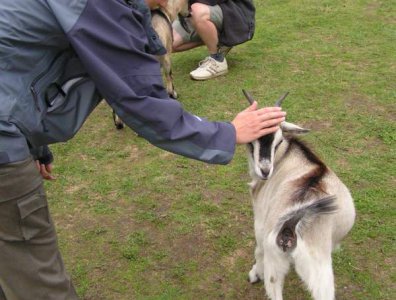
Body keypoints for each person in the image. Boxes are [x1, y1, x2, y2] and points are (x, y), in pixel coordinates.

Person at [0, 0, 285, 299]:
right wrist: (228, 133)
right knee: (40, 283)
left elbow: (20, 67)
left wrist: (35, 147)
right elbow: (140, 100)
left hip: (12, 132)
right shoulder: (101, 7)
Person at [173, 0, 255, 80]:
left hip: (235, 13)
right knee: (168, 43)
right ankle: (218, 39)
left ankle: (217, 60)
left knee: (196, 11)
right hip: (195, 13)